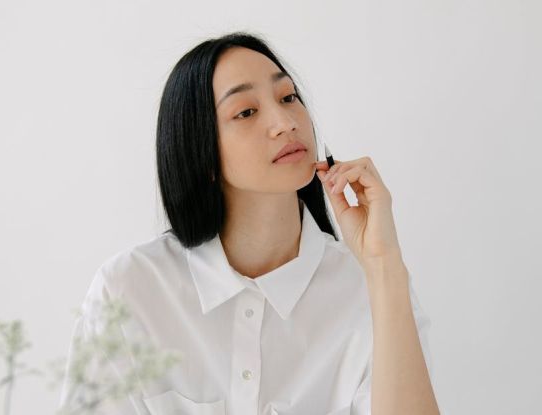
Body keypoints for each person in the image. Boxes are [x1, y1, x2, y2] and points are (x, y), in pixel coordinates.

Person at [58, 31, 439, 415]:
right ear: (201, 152)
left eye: (288, 98)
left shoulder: (373, 290)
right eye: (246, 112)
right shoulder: (129, 290)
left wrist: (383, 266)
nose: (284, 122)